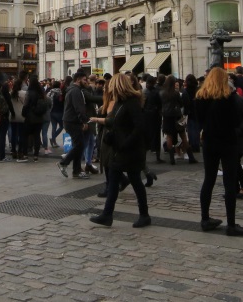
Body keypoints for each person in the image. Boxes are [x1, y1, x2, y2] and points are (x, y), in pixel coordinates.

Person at [193, 67, 243, 236]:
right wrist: (238, 131)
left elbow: (199, 121)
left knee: (209, 180)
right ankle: (231, 224)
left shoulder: (200, 97)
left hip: (210, 141)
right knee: (229, 182)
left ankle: (205, 218)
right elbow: (241, 118)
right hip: (228, 141)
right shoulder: (229, 98)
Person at [88, 73, 150, 229]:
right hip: (119, 149)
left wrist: (126, 142)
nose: (109, 88)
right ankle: (107, 215)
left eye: (112, 85)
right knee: (114, 181)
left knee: (136, 181)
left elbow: (140, 127)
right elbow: (115, 121)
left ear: (119, 86)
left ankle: (144, 215)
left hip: (131, 150)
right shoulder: (120, 103)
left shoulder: (132, 103)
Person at [58, 68, 91, 178]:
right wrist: (84, 121)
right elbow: (79, 108)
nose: (87, 81)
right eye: (85, 79)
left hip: (71, 120)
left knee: (79, 145)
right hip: (72, 121)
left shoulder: (73, 89)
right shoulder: (76, 91)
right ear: (78, 80)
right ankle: (63, 162)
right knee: (79, 145)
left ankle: (76, 171)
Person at [159, 77, 184, 165]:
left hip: (166, 115)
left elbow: (159, 104)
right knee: (182, 134)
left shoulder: (162, 93)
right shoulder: (176, 93)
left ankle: (171, 157)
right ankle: (189, 155)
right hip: (176, 115)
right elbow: (181, 103)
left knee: (169, 136)